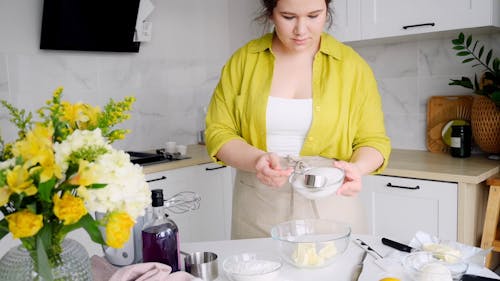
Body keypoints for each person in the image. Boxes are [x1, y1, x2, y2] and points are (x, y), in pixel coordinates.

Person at [205, 0, 391, 239]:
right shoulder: (243, 61)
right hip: (259, 205)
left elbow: (373, 140)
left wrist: (357, 168)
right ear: (271, 13)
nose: (301, 30)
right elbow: (219, 133)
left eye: (314, 16)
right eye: (289, 17)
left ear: (327, 10)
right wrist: (257, 160)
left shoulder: (352, 66)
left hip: (333, 203)